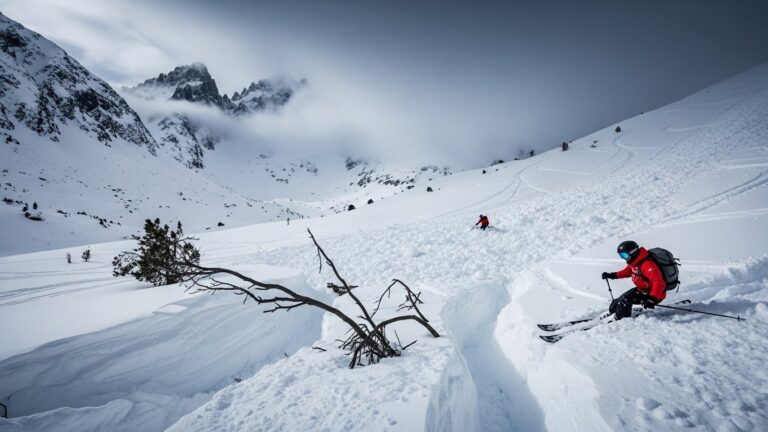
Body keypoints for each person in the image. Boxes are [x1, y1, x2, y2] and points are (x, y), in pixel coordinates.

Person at [602, 240, 666, 320]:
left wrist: (652, 299)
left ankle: (622, 320)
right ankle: (614, 312)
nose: (623, 258)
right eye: (621, 255)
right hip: (642, 290)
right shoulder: (635, 262)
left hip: (653, 294)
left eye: (624, 255)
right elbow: (626, 272)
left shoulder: (647, 264)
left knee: (625, 300)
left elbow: (659, 282)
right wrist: (612, 275)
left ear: (632, 252)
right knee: (618, 301)